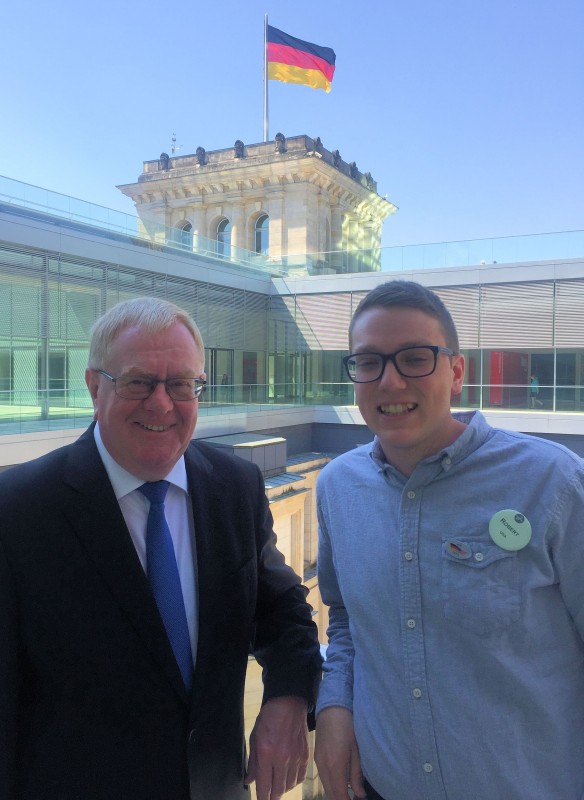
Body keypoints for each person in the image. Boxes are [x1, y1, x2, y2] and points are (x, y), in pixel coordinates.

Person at [0, 297, 322, 800]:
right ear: (93, 387)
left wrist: (289, 695)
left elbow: (280, 607)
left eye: (180, 385)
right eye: (138, 382)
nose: (161, 403)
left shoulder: (234, 486)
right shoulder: (18, 509)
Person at [314, 280, 584, 800]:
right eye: (369, 362)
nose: (390, 382)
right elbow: (345, 620)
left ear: (457, 372)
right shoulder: (337, 488)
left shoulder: (554, 482)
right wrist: (334, 707)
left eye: (415, 358)